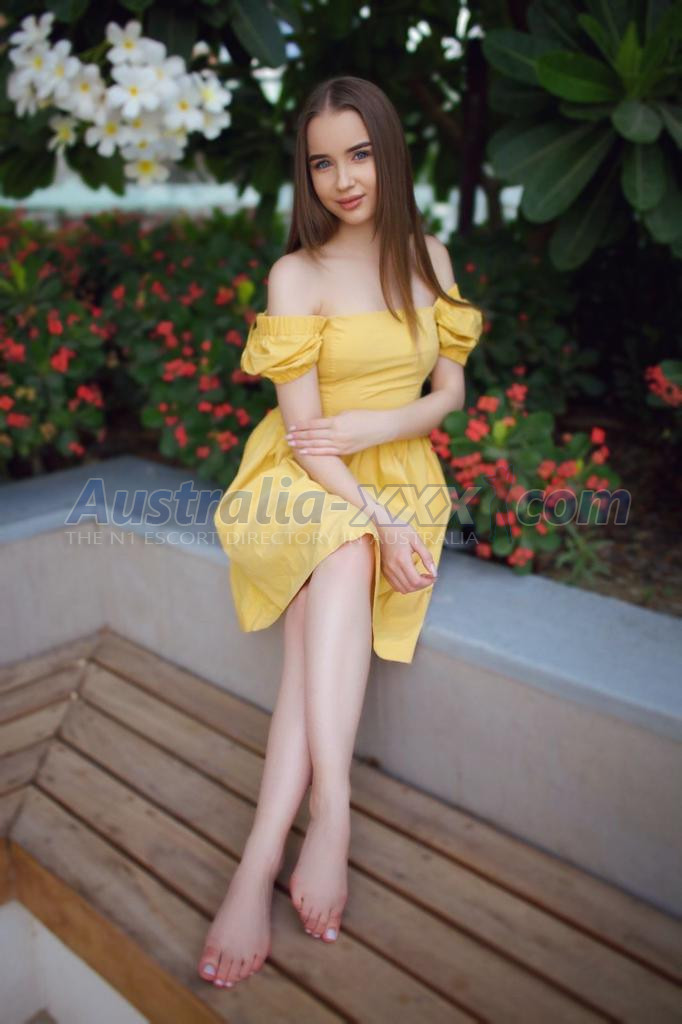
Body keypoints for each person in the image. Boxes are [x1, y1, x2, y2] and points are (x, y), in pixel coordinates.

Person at [198, 75, 483, 990]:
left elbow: (449, 392)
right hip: (302, 475)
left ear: (388, 152)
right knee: (350, 542)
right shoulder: (298, 274)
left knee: (311, 641)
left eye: (359, 154)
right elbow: (305, 433)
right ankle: (335, 812)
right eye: (322, 163)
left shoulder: (429, 258)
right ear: (307, 174)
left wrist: (381, 428)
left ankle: (254, 868)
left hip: (395, 467)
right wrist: (375, 512)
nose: (344, 179)